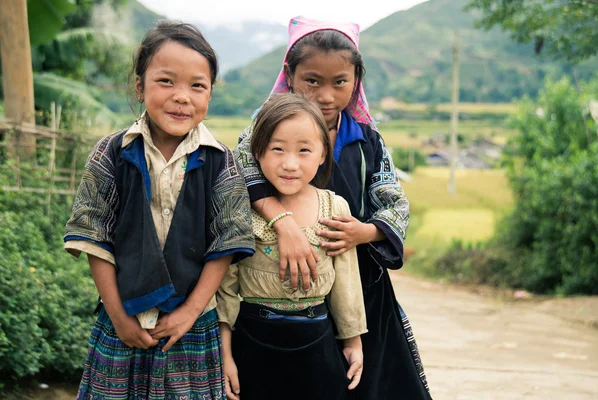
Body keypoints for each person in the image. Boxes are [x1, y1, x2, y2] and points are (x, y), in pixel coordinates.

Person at [234, 16, 432, 400]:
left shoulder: (366, 139)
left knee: (371, 381)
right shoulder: (262, 130)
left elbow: (394, 202)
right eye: (313, 80)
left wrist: (365, 232)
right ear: (290, 75)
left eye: (339, 82)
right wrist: (285, 224)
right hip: (281, 286)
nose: (326, 95)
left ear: (356, 80)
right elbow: (240, 178)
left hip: (359, 287)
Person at [64, 21, 254, 399]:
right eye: (166, 81)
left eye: (197, 85)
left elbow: (227, 241)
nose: (182, 97)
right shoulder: (111, 153)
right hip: (123, 321)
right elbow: (93, 235)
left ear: (211, 94)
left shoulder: (221, 161)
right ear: (140, 86)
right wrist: (118, 317)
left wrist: (188, 314)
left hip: (192, 326)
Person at [217, 93, 367, 400]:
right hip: (253, 342)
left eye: (304, 151)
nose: (289, 164)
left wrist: (352, 342)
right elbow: (226, 288)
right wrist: (225, 354)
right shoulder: (241, 209)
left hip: (318, 343)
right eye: (277, 149)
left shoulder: (334, 207)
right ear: (257, 152)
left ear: (323, 154)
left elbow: (347, 282)